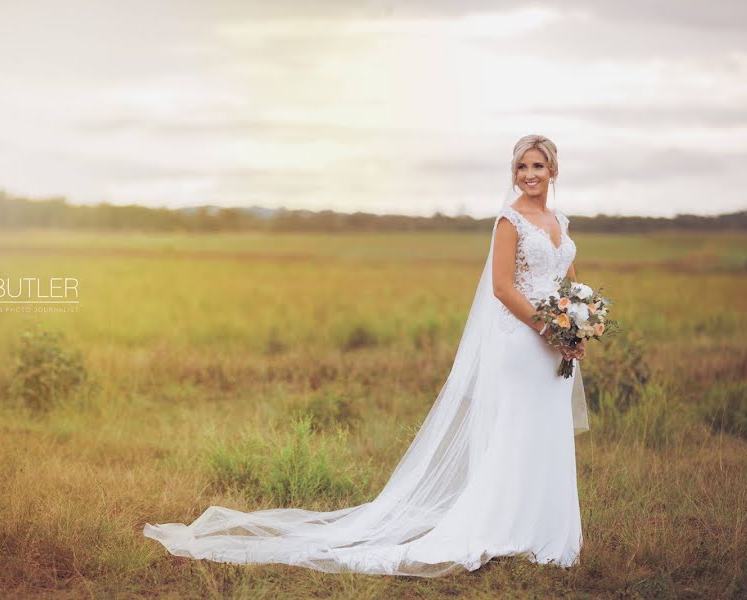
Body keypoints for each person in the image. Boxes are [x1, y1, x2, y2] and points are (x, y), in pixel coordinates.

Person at [143, 134, 590, 577]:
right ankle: (503, 528)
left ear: (553, 170)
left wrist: (578, 326)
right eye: (521, 167)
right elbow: (502, 287)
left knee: (546, 432)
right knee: (516, 433)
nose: (529, 175)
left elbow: (568, 283)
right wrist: (548, 327)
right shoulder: (509, 222)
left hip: (554, 348)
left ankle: (543, 532)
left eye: (537, 166)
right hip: (524, 343)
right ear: (514, 173)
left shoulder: (559, 221)